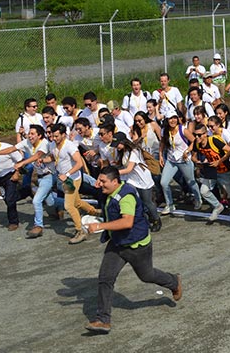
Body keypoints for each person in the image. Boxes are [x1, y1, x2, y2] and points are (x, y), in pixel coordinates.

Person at [83, 166, 182, 334]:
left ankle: (173, 281)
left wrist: (100, 225)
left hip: (137, 245)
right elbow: (83, 188)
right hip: (117, 243)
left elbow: (127, 222)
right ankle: (103, 320)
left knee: (147, 275)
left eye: (103, 181)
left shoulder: (126, 196)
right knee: (105, 278)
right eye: (99, 180)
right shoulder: (109, 191)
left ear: (115, 182)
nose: (99, 184)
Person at [49, 123, 100, 243]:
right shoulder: (53, 144)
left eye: (57, 136)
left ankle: (80, 231)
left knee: (68, 206)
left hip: (72, 179)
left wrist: (66, 174)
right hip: (64, 178)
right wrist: (43, 160)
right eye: (53, 136)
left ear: (63, 135)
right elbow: (53, 157)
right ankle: (94, 212)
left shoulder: (70, 146)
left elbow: (79, 163)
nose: (54, 139)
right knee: (76, 202)